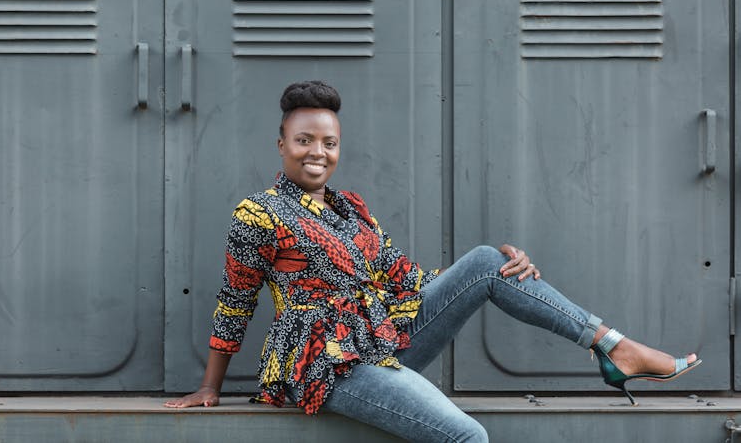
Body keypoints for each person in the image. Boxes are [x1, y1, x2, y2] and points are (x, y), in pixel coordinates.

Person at [165, 81, 701, 442]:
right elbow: (235, 301)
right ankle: (617, 351)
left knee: (492, 259)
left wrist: (496, 273)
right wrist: (211, 385)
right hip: (326, 365)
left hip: (381, 338)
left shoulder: (352, 211)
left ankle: (614, 347)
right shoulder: (259, 213)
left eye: (329, 143)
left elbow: (407, 279)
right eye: (303, 140)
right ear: (281, 144)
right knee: (469, 437)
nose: (317, 152)